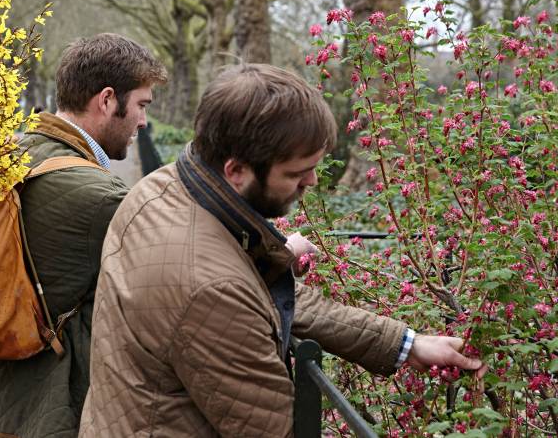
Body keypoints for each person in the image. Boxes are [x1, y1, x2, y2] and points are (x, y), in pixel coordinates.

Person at [79, 63, 487, 437]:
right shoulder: (212, 288)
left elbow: (259, 295)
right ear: (236, 170)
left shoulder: (163, 189)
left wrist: (404, 343)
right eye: (295, 172)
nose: (311, 182)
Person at [0, 33, 167, 438]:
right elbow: (176, 271)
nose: (143, 122)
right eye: (142, 105)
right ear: (107, 100)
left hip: (0, 398)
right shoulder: (98, 196)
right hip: (49, 410)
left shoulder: (16, 151)